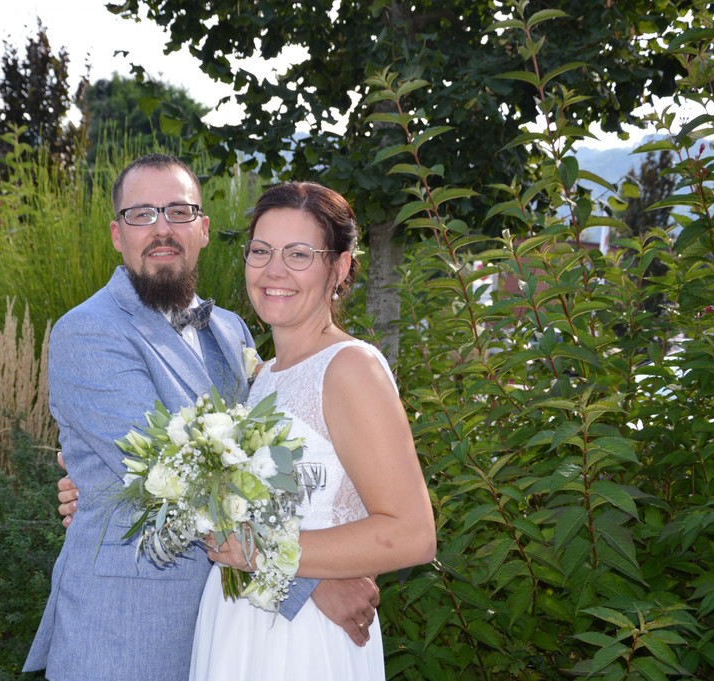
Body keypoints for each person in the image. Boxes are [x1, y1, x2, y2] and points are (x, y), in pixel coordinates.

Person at [24, 155, 379, 681]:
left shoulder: (234, 330)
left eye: (179, 211)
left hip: (232, 631)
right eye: (141, 214)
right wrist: (309, 580)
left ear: (204, 229)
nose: (161, 229)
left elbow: (262, 460)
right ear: (118, 234)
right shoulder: (88, 331)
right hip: (128, 638)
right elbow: (169, 478)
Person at [190, 181, 437, 679]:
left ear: (339, 268)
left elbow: (412, 534)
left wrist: (261, 549)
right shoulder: (262, 376)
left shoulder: (350, 368)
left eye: (299, 254)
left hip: (303, 643)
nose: (273, 270)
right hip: (237, 626)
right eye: (261, 250)